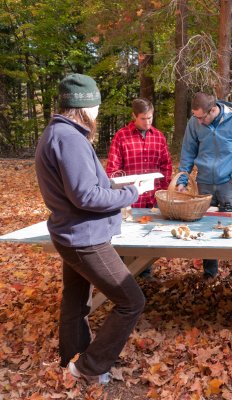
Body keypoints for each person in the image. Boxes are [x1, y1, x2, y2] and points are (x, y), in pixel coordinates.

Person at [35, 73, 146, 384]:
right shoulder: (69, 139)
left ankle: (71, 359)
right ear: (84, 107)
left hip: (71, 234)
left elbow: (81, 186)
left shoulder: (59, 133)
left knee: (76, 299)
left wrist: (111, 185)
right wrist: (129, 193)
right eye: (97, 105)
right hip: (84, 239)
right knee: (131, 301)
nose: (98, 112)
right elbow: (85, 196)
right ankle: (89, 366)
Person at [177, 92, 232, 286]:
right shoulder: (194, 122)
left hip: (229, 185)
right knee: (205, 228)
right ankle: (210, 272)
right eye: (196, 117)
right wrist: (183, 179)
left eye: (202, 117)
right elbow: (188, 151)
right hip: (204, 183)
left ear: (213, 110)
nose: (199, 121)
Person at [106, 98, 172, 209]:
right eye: (143, 118)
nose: (147, 122)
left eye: (149, 118)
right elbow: (112, 170)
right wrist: (122, 194)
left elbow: (166, 166)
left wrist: (164, 191)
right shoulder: (121, 136)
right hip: (131, 199)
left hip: (155, 198)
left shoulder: (159, 137)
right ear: (134, 116)